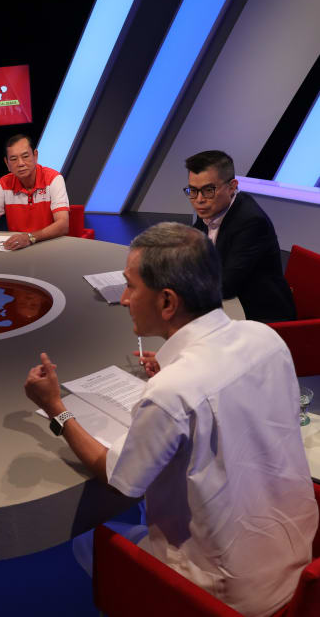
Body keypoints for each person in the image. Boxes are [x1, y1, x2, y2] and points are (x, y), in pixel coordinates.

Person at [25, 223, 317, 617]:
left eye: (130, 286)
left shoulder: (170, 394)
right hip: (297, 550)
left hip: (228, 592)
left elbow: (120, 481)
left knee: (85, 543)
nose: (125, 299)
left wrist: (56, 408)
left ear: (167, 302)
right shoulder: (264, 338)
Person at [185, 150, 295, 322]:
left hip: (261, 318)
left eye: (208, 190)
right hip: (228, 308)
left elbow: (225, 285)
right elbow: (186, 253)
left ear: (232, 187)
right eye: (193, 190)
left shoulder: (251, 222)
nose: (199, 199)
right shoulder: (211, 210)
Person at [0, 134, 69, 250]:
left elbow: (63, 225)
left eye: (25, 156)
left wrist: (30, 237)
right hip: (18, 250)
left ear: (35, 156)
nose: (20, 163)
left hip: (50, 247)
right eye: (13, 159)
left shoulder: (54, 179)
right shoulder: (3, 184)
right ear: (7, 163)